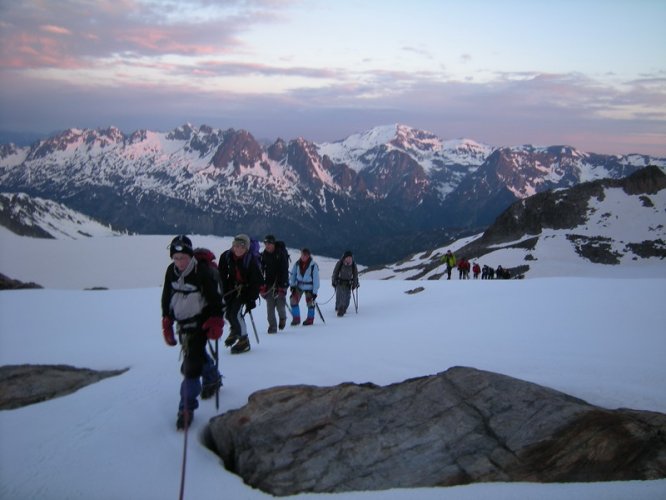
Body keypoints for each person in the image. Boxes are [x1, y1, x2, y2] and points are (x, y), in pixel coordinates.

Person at [161, 235, 224, 430]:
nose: (179, 262)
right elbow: (166, 297)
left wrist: (215, 320)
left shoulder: (202, 273)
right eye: (176, 258)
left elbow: (215, 300)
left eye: (183, 257)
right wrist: (167, 320)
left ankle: (186, 407)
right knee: (195, 355)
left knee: (191, 366)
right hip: (183, 325)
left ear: (190, 256)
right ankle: (212, 377)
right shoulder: (171, 272)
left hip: (200, 324)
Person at [218, 234, 263, 354]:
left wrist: (250, 299)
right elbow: (221, 274)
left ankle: (244, 340)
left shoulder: (251, 261)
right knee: (228, 313)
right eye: (236, 246)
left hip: (246, 290)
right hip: (232, 288)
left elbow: (257, 281)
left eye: (242, 247)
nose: (238, 249)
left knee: (236, 313)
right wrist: (222, 290)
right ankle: (235, 330)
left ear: (247, 248)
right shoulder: (227, 256)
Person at [259, 235, 290, 333]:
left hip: (281, 283)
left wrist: (283, 285)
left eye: (269, 243)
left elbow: (285, 270)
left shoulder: (280, 254)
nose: (267, 246)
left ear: (273, 244)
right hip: (269, 284)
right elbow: (262, 270)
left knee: (280, 306)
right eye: (266, 244)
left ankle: (283, 318)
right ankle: (272, 326)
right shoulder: (264, 254)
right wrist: (262, 285)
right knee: (270, 307)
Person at [289, 248, 320, 326]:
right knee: (293, 300)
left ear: (308, 256)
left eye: (305, 255)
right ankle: (296, 319)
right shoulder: (297, 264)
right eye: (302, 254)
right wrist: (292, 285)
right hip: (299, 286)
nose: (303, 256)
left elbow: (316, 279)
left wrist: (315, 292)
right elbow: (293, 275)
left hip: (309, 287)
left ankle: (310, 320)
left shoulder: (313, 265)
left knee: (310, 303)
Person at [331, 250, 359, 317]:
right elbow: (335, 273)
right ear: (344, 258)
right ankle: (341, 309)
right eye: (348, 257)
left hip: (348, 284)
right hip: (340, 283)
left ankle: (342, 308)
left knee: (347, 298)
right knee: (341, 297)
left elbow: (355, 275)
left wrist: (355, 284)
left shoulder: (353, 265)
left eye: (350, 258)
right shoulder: (340, 263)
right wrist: (333, 281)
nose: (349, 259)